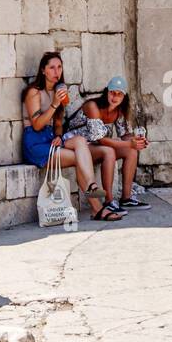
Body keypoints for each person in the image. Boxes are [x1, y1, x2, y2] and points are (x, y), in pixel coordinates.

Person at [22, 52, 124, 222]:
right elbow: (38, 125)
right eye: (52, 68)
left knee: (80, 141)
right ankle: (97, 207)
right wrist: (55, 103)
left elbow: (58, 123)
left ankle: (92, 190)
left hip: (50, 139)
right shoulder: (34, 92)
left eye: (59, 67)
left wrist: (58, 135)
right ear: (43, 71)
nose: (57, 71)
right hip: (35, 143)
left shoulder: (58, 90)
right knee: (79, 158)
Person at [82, 76, 150, 210]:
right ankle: (108, 201)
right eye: (112, 92)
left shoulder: (119, 111)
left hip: (96, 147)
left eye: (119, 94)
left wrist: (138, 141)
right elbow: (100, 139)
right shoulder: (92, 106)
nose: (115, 97)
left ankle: (126, 198)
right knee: (109, 151)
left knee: (131, 151)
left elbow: (126, 136)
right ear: (107, 91)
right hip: (80, 147)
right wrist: (130, 143)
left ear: (124, 96)